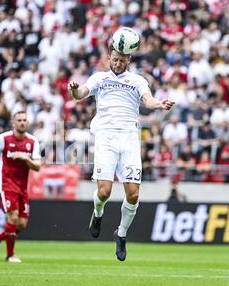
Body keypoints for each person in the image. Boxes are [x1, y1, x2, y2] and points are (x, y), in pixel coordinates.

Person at [67, 44, 175, 261]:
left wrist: (159, 104)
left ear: (128, 61)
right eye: (114, 59)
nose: (118, 63)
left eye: (122, 60)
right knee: (104, 192)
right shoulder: (99, 78)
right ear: (109, 58)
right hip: (106, 138)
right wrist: (74, 89)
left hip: (129, 139)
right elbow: (80, 95)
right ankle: (97, 213)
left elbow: (148, 99)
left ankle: (121, 234)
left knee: (133, 194)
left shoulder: (137, 80)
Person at [0, 111, 41, 263]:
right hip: (6, 184)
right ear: (13, 122)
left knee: (21, 224)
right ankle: (10, 255)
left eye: (24, 120)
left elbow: (38, 166)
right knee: (13, 217)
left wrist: (25, 158)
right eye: (19, 120)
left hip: (23, 187)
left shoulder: (33, 142)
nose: (22, 122)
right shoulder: (4, 138)